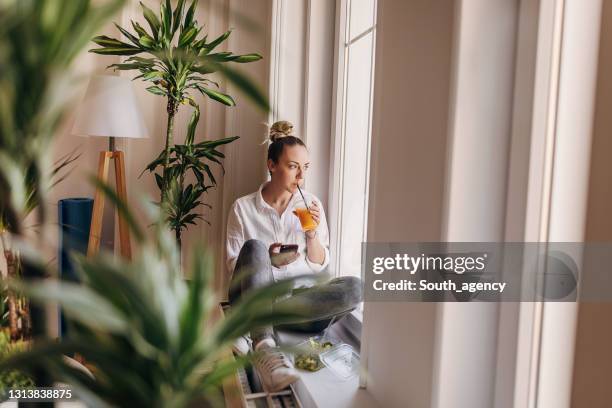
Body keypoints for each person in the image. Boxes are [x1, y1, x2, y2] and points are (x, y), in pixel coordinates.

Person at [226, 121, 362, 392]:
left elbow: (320, 264)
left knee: (356, 286)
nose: (301, 176)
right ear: (272, 165)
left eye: (305, 168)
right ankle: (264, 346)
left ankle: (255, 329)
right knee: (255, 247)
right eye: (293, 166)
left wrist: (311, 236)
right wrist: (269, 260)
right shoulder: (243, 208)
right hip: (253, 299)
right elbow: (234, 268)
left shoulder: (310, 204)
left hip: (294, 306)